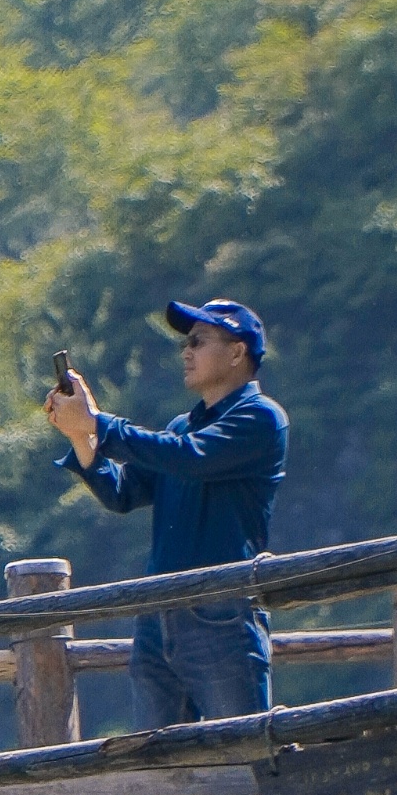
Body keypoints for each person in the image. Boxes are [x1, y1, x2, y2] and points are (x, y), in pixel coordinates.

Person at [41, 299, 289, 725]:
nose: (186, 351)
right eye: (185, 344)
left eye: (199, 340)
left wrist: (98, 423)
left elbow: (190, 458)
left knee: (243, 759)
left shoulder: (262, 418)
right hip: (158, 616)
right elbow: (122, 493)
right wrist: (83, 437)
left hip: (222, 614)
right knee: (159, 766)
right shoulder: (180, 428)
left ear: (237, 352)